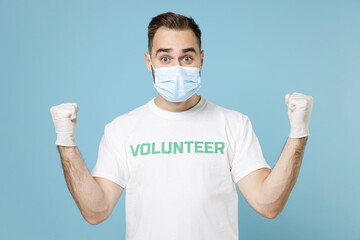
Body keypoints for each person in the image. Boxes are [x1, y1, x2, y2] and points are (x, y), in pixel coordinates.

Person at [50, 12, 314, 240]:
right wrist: (66, 142)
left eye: (186, 58)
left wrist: (298, 133)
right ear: (148, 61)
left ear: (201, 59)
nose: (176, 68)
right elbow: (96, 211)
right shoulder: (122, 129)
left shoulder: (234, 124)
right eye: (165, 58)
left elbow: (268, 204)